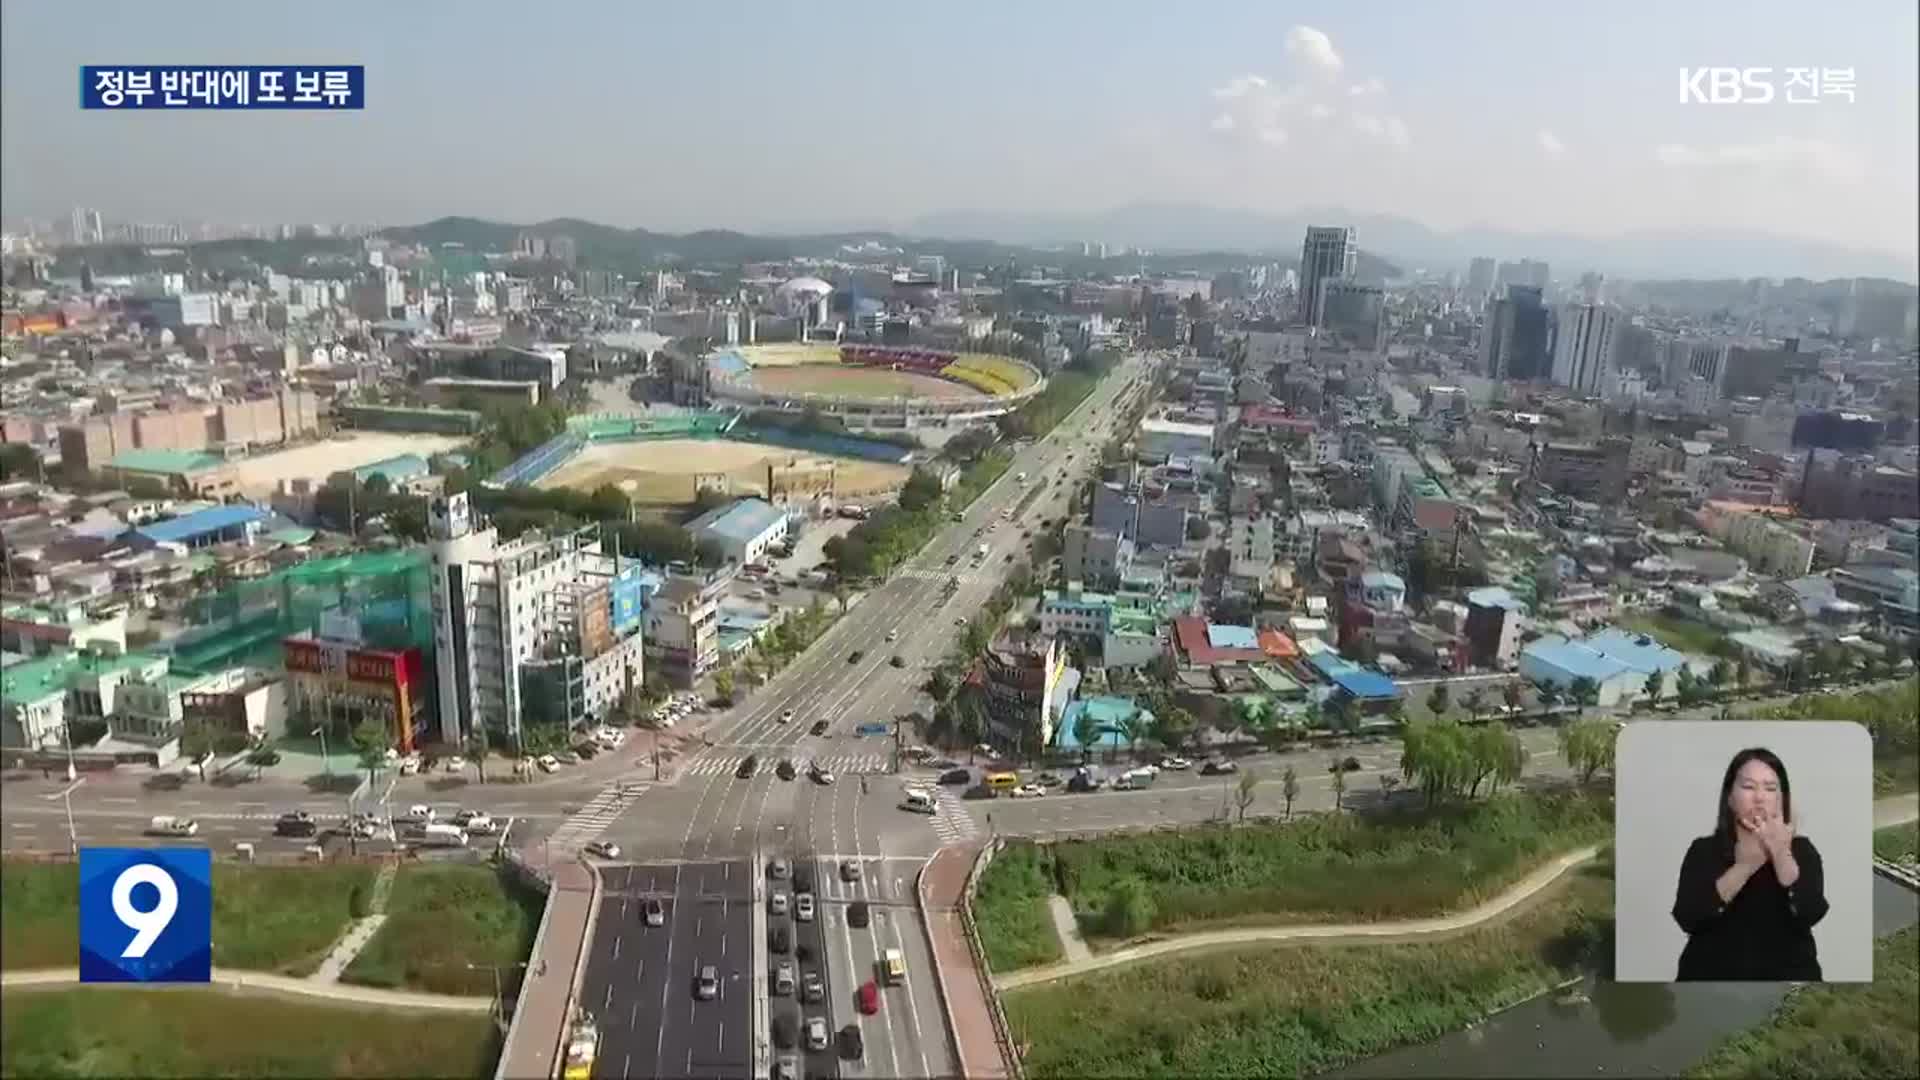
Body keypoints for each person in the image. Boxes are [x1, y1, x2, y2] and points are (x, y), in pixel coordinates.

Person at [1671, 747, 1828, 981]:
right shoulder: (1703, 850)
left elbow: (1810, 911)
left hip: (1788, 978)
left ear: (1781, 799)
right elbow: (1687, 917)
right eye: (1748, 787)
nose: (1759, 797)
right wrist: (1743, 867)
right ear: (1730, 797)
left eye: (1770, 788)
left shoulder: (1803, 851)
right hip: (1710, 979)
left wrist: (1780, 852)